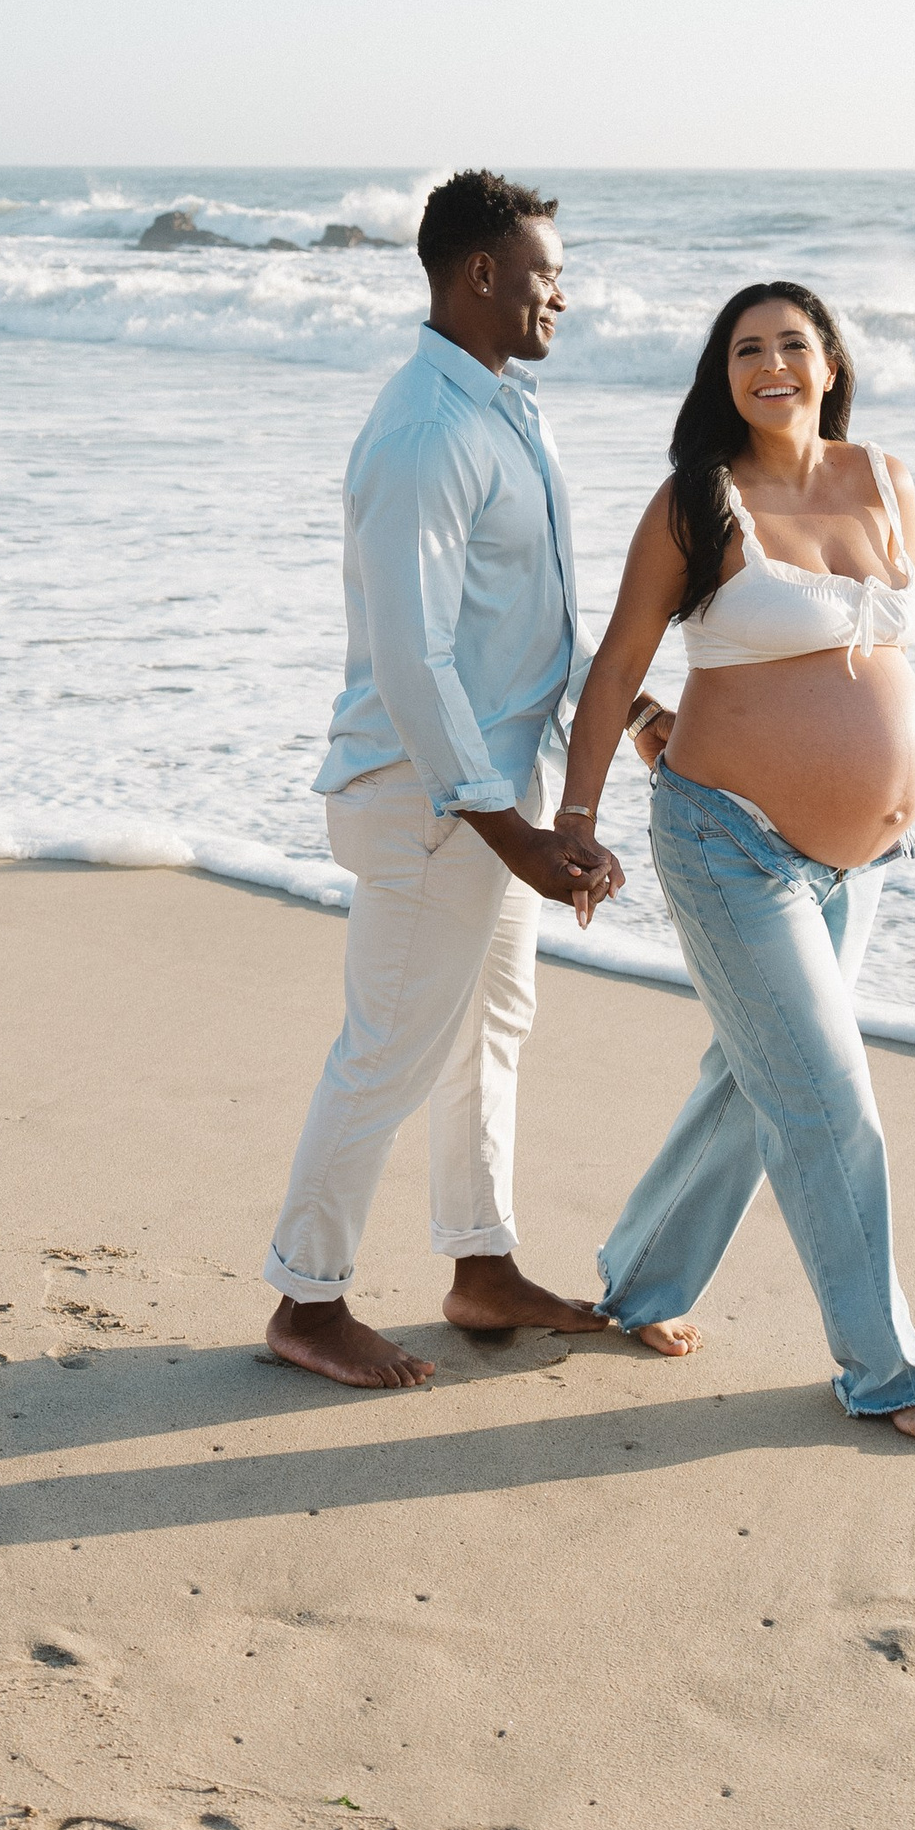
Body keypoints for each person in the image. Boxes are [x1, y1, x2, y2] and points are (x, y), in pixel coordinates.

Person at [557, 281, 915, 1445]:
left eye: (793, 342)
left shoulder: (885, 478)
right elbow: (615, 665)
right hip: (729, 842)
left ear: (831, 360)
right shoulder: (698, 502)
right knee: (825, 1098)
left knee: (760, 1077)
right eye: (747, 348)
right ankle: (885, 1367)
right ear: (722, 373)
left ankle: (640, 1282)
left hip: (866, 859)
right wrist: (576, 816)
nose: (771, 363)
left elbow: (864, 650)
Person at [261, 170, 623, 1391]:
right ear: (480, 274)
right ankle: (307, 1298)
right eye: (543, 273)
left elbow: (535, 625)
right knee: (390, 1050)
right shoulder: (425, 430)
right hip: (425, 803)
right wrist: (506, 828)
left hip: (490, 798)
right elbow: (414, 659)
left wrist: (629, 714)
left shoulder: (509, 411)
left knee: (490, 1033)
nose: (560, 294)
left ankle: (481, 1266)